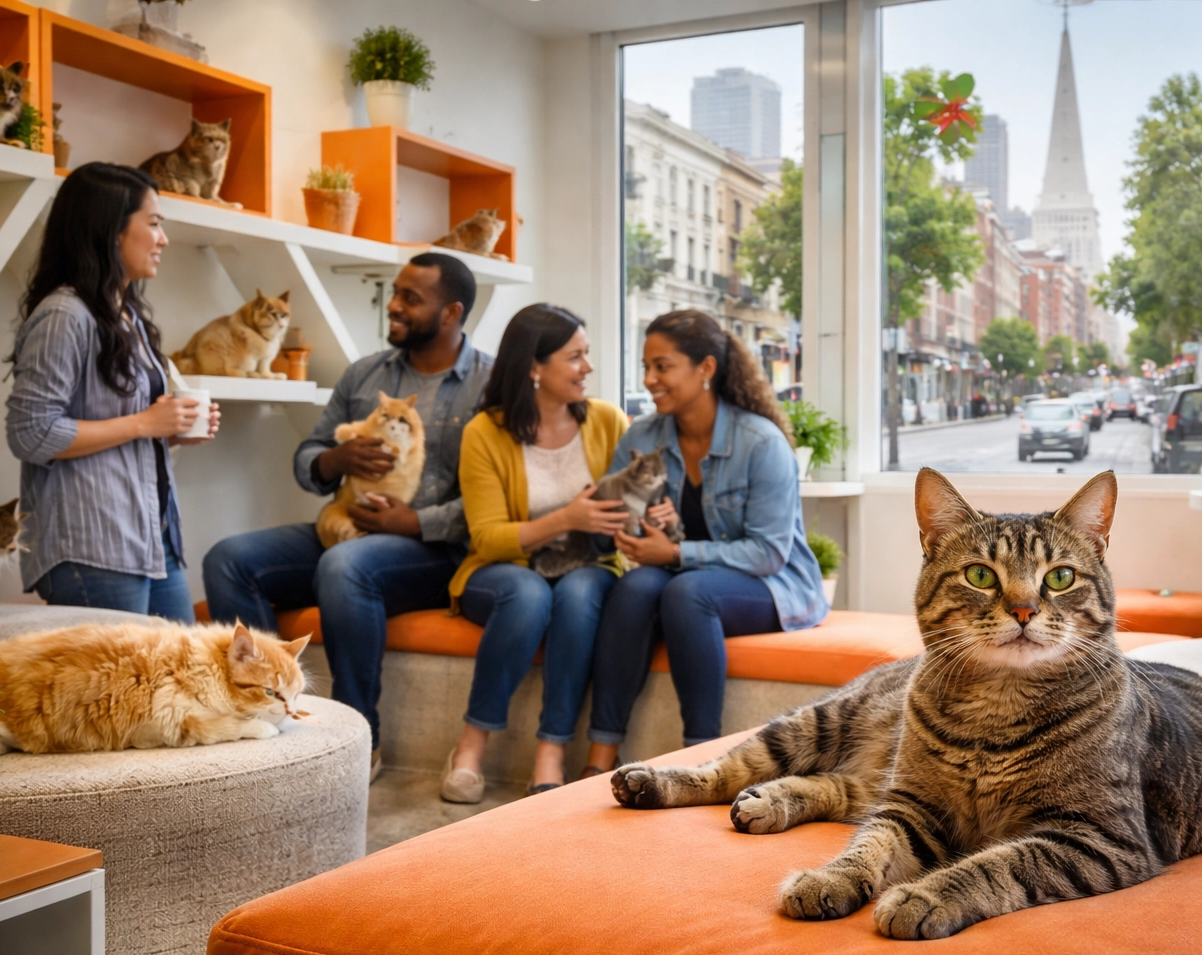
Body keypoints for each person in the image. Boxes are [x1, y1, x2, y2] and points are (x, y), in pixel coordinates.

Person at [202, 252, 489, 779]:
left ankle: (360, 743)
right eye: (395, 292)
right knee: (230, 559)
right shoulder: (365, 374)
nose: (395, 306)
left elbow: (498, 497)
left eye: (410, 298)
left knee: (346, 567)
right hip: (346, 524)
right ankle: (267, 723)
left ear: (450, 313)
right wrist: (336, 459)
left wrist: (418, 522)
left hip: (435, 549)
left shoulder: (489, 384)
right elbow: (308, 458)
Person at [582, 309, 828, 775]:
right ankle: (598, 758)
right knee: (633, 589)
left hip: (774, 584)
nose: (650, 379)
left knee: (688, 592)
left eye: (662, 366)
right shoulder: (643, 436)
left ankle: (703, 763)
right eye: (646, 367)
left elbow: (769, 552)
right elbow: (614, 528)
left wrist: (674, 552)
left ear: (706, 369)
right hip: (684, 576)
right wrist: (614, 525)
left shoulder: (761, 443)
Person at [6, 163, 219, 622]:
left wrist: (171, 432)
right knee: (119, 694)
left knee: (182, 683)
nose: (163, 239)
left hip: (150, 537)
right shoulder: (65, 315)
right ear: (111, 230)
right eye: (155, 223)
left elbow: (122, 433)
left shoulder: (128, 316)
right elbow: (30, 434)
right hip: (93, 544)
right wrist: (145, 423)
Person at [440, 304, 630, 803]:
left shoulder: (609, 421)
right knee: (527, 595)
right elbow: (487, 537)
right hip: (505, 571)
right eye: (575, 356)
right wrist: (567, 518)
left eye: (587, 354)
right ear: (533, 367)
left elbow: (635, 502)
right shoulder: (484, 432)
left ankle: (551, 751)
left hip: (588, 567)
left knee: (580, 589)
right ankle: (470, 748)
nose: (587, 367)